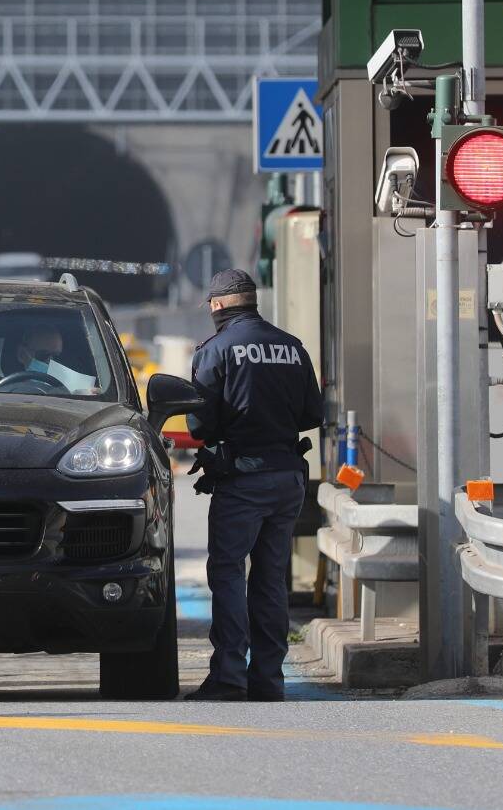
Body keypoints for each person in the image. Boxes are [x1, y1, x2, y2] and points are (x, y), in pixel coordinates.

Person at [183, 267, 320, 703]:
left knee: (227, 574)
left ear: (218, 305)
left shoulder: (215, 350)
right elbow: (312, 415)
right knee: (270, 580)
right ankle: (267, 680)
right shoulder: (292, 348)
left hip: (243, 479)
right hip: (287, 479)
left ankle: (227, 678)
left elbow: (198, 423)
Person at [12, 325, 97, 394]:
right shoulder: (2, 393)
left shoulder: (75, 395)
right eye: (43, 354)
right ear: (22, 354)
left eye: (56, 356)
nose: (50, 361)